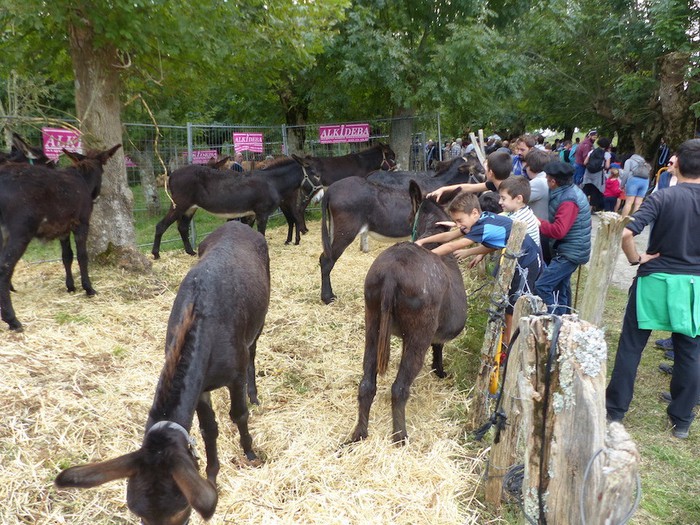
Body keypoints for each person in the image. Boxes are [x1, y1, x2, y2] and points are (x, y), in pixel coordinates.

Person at [605, 138, 700, 439]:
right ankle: (681, 420)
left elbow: (626, 233)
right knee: (690, 351)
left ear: (678, 164)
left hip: (655, 280)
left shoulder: (664, 197)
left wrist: (636, 258)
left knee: (632, 346)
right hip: (692, 285)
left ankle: (615, 411)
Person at [415, 192, 542, 346]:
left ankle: (509, 344)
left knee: (513, 303)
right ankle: (508, 334)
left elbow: (452, 245)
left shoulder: (481, 227)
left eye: (459, 220)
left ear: (474, 213)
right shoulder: (480, 219)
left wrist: (423, 256)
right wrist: (422, 242)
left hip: (526, 260)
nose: (458, 224)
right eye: (455, 221)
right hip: (517, 253)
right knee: (509, 297)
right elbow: (450, 237)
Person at [535, 161, 591, 315]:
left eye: (547, 179)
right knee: (561, 289)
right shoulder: (566, 192)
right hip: (568, 249)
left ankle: (552, 317)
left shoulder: (569, 200)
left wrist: (538, 223)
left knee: (542, 285)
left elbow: (559, 231)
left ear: (553, 181)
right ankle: (563, 322)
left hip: (570, 252)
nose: (546, 182)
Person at [426, 150, 512, 203]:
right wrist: (443, 189)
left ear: (490, 173)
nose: (484, 171)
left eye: (485, 168)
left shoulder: (510, 191)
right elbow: (468, 187)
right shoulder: (494, 184)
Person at [582, 137, 611, 212]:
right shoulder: (607, 154)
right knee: (595, 191)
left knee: (586, 190)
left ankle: (581, 206)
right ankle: (590, 209)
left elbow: (585, 162)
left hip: (588, 173)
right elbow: (607, 166)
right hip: (598, 175)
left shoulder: (592, 151)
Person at [522, 148, 552, 221]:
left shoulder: (538, 183)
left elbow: (518, 200)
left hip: (538, 224)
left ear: (529, 166)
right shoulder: (546, 178)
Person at [620, 152, 651, 217]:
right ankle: (634, 222)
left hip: (634, 181)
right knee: (638, 203)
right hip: (645, 181)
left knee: (629, 202)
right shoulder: (644, 162)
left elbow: (626, 173)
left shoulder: (629, 161)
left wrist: (622, 185)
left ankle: (622, 221)